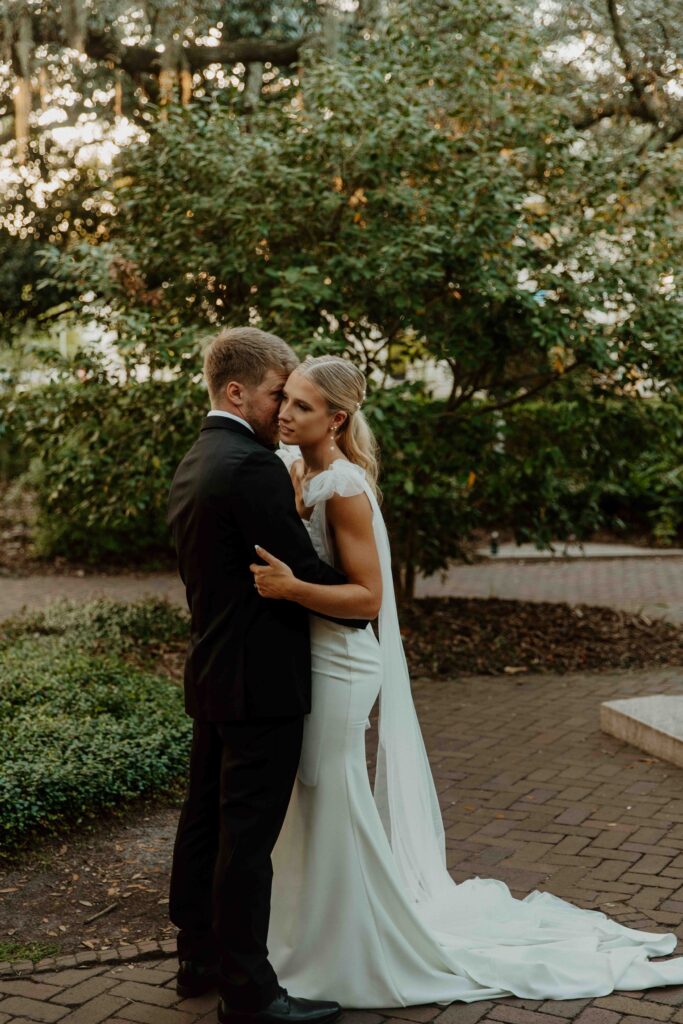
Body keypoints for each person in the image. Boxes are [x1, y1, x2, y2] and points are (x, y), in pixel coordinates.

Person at [250, 353, 683, 1007]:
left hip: (342, 664)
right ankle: (305, 936)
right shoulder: (296, 471)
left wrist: (289, 588)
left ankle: (357, 947)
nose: (285, 412)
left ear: (336, 418)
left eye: (303, 406)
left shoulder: (341, 486)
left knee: (330, 792)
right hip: (311, 655)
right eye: (285, 399)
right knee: (309, 800)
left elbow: (368, 600)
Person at [167, 328, 367, 1024]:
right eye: (277, 394)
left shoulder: (197, 456)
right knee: (245, 839)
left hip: (213, 669)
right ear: (236, 391)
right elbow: (299, 571)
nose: (282, 409)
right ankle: (250, 993)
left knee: (203, 822)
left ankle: (194, 957)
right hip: (260, 678)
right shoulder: (250, 465)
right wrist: (357, 601)